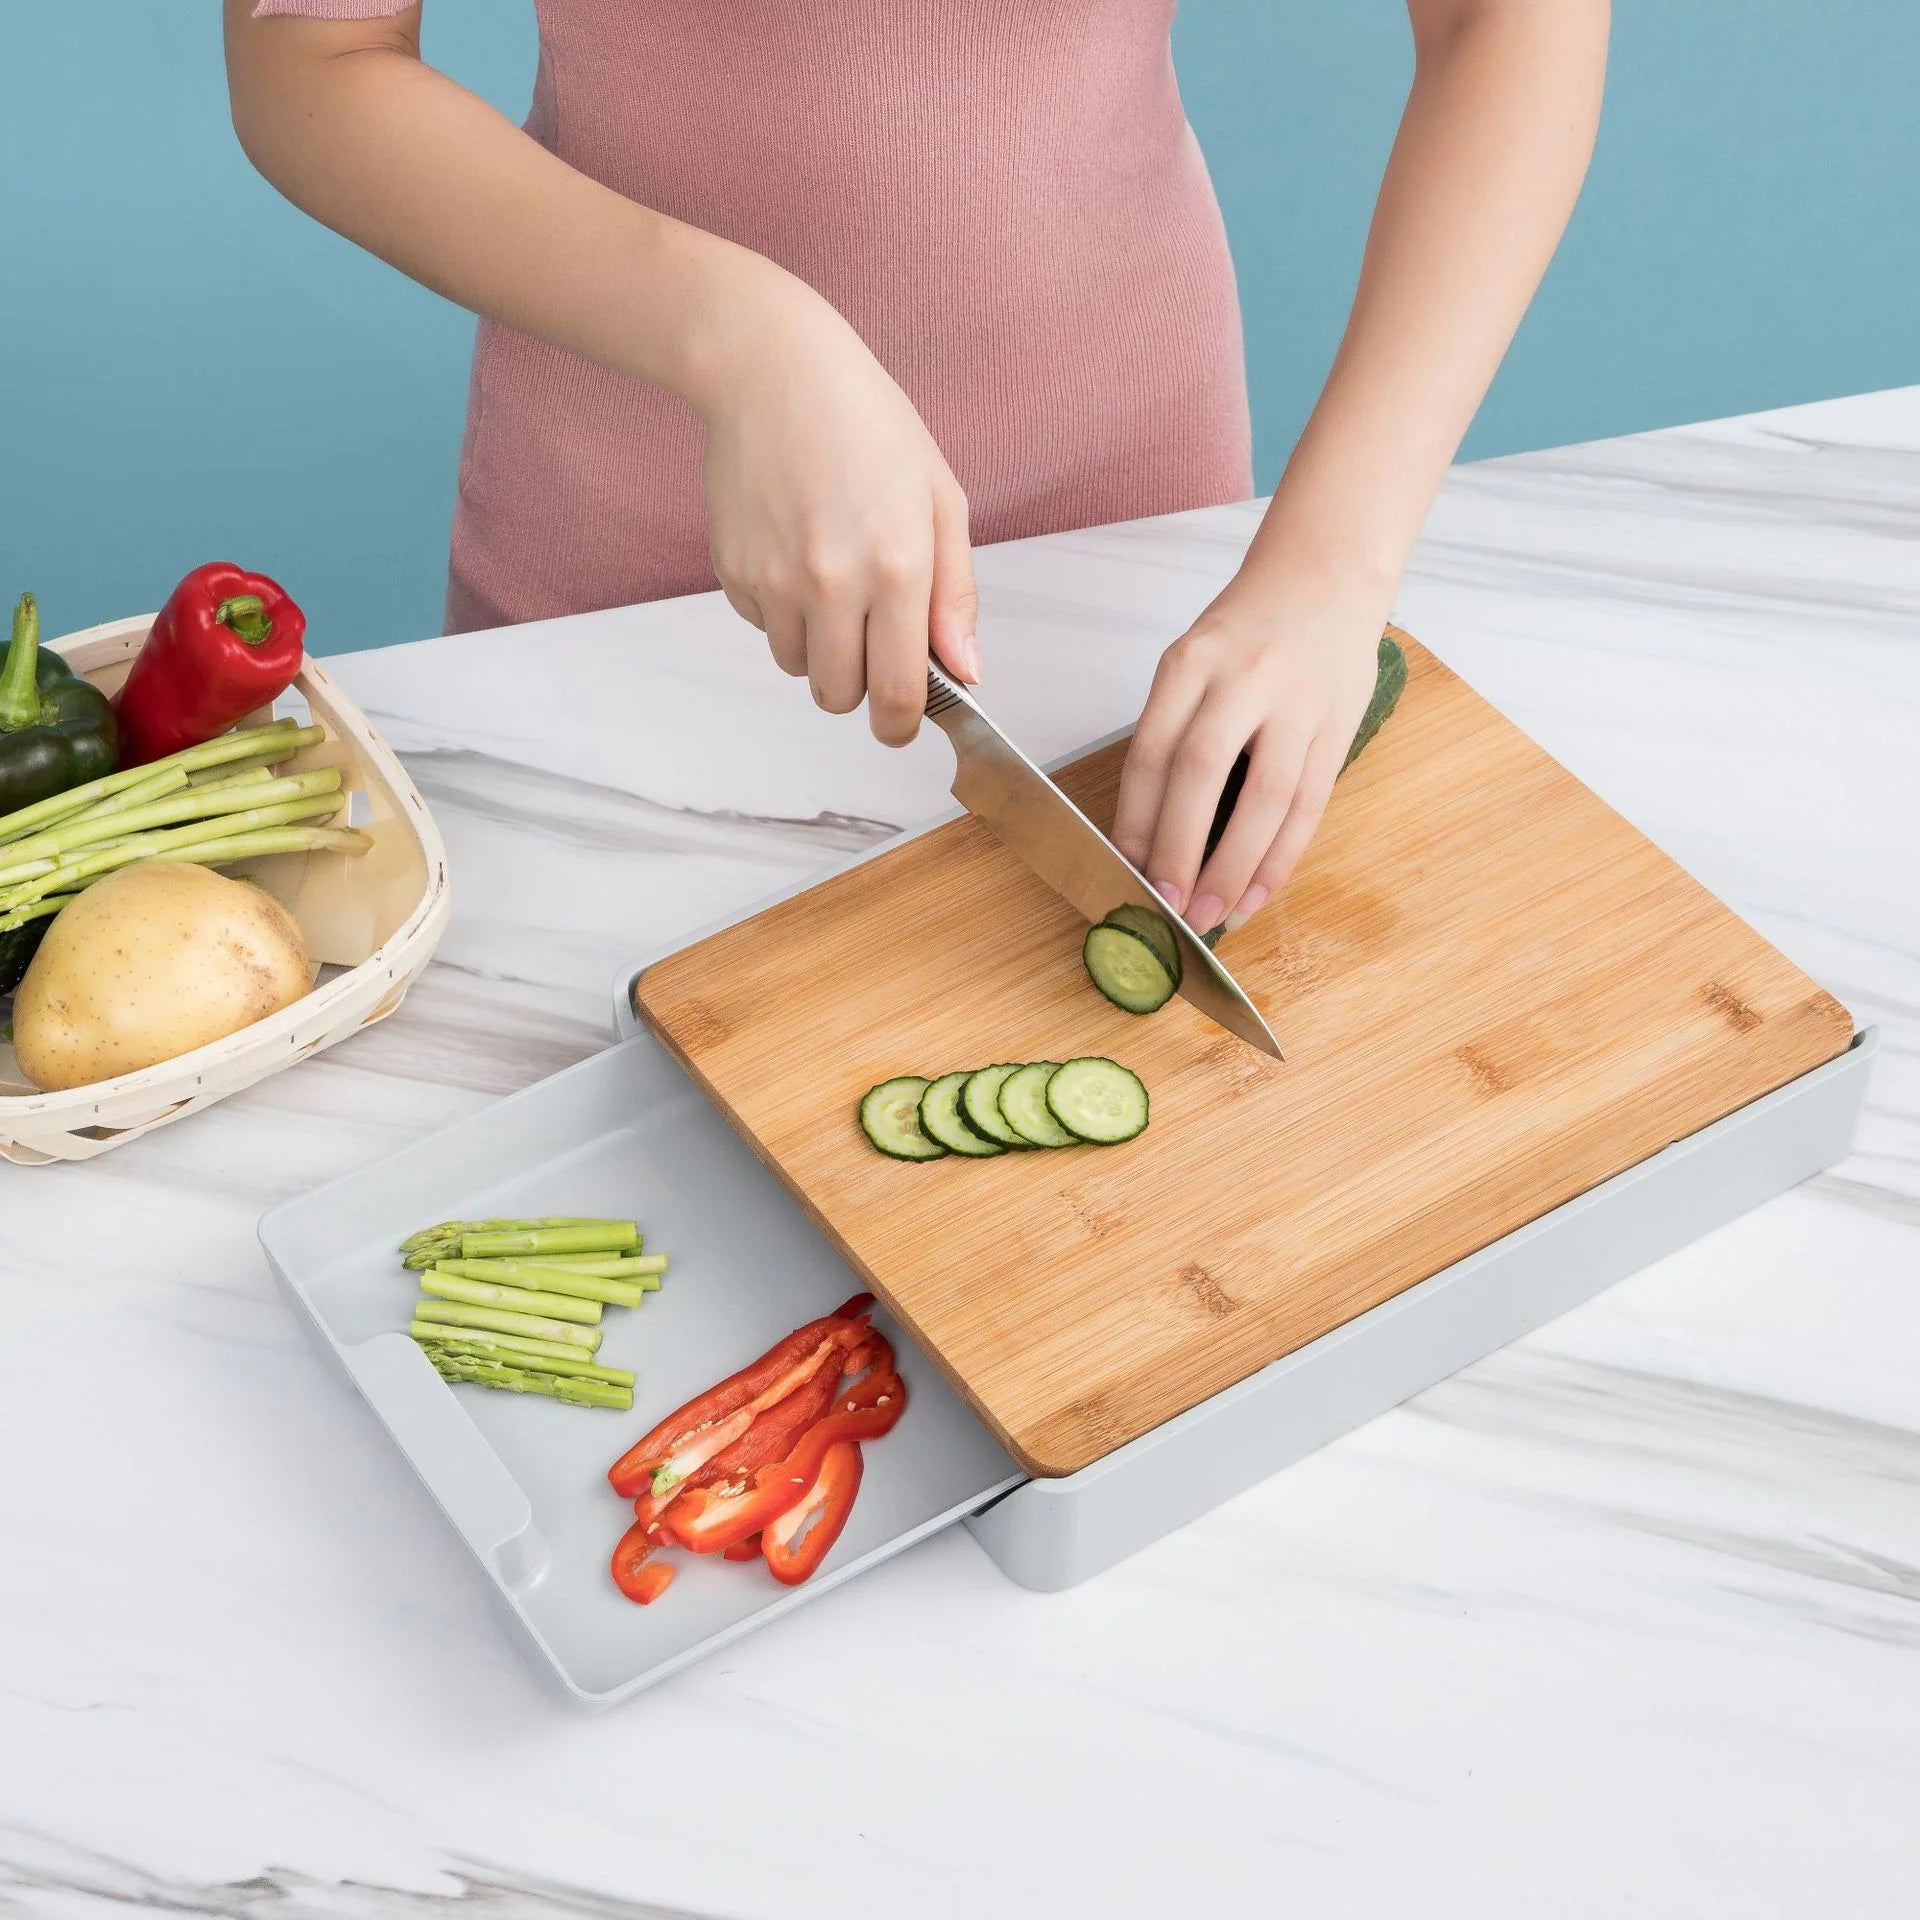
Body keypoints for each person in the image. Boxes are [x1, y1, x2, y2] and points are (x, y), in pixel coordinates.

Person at [226, 0, 1607, 934]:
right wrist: (742, 338)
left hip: (1136, 531)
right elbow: (311, 58)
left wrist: (1329, 566)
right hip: (633, 548)